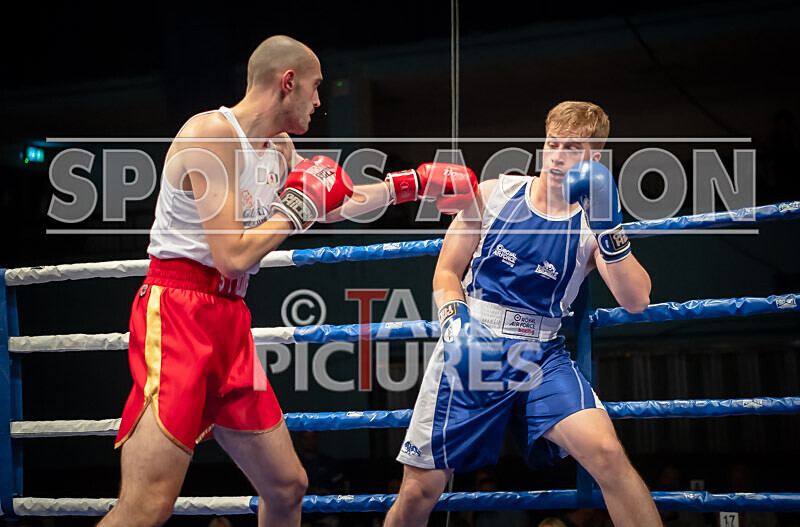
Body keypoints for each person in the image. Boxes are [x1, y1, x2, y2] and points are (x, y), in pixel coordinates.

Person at [100, 35, 477, 527]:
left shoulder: (278, 148)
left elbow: (334, 203)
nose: (320, 101)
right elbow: (233, 255)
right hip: (177, 313)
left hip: (229, 321)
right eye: (316, 88)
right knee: (148, 505)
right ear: (288, 82)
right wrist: (295, 209)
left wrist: (414, 183)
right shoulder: (211, 135)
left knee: (287, 486)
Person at [384, 101, 662, 527]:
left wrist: (610, 227)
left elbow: (636, 298)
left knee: (607, 455)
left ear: (595, 158)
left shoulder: (593, 223)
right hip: (475, 344)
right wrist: (454, 319)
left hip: (541, 354)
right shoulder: (494, 193)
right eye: (552, 143)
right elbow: (445, 271)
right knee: (420, 489)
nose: (558, 155)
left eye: (572, 147)